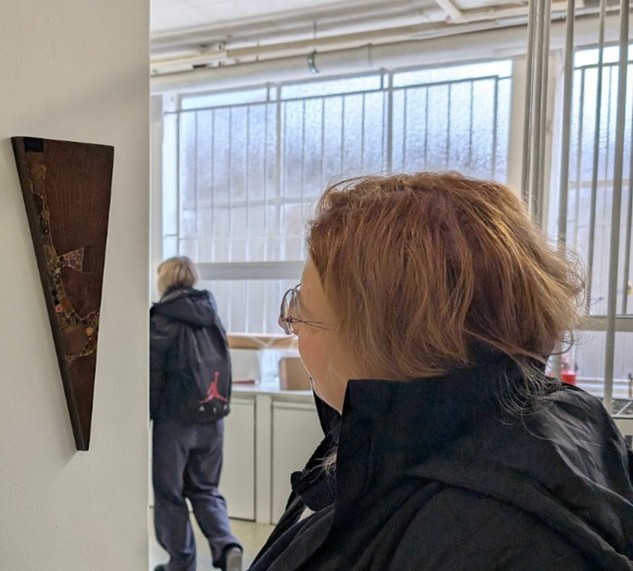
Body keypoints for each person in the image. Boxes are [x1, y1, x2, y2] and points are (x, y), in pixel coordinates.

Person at [251, 173, 633, 570]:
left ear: (389, 342)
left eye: (303, 314)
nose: (293, 327)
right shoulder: (553, 423)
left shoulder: (491, 541)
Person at [150, 256, 244, 571]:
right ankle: (227, 546)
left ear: (164, 280)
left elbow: (152, 374)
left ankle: (181, 563)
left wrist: (145, 415)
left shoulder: (162, 318)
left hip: (174, 421)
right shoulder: (211, 315)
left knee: (170, 493)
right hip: (212, 417)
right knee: (205, 489)